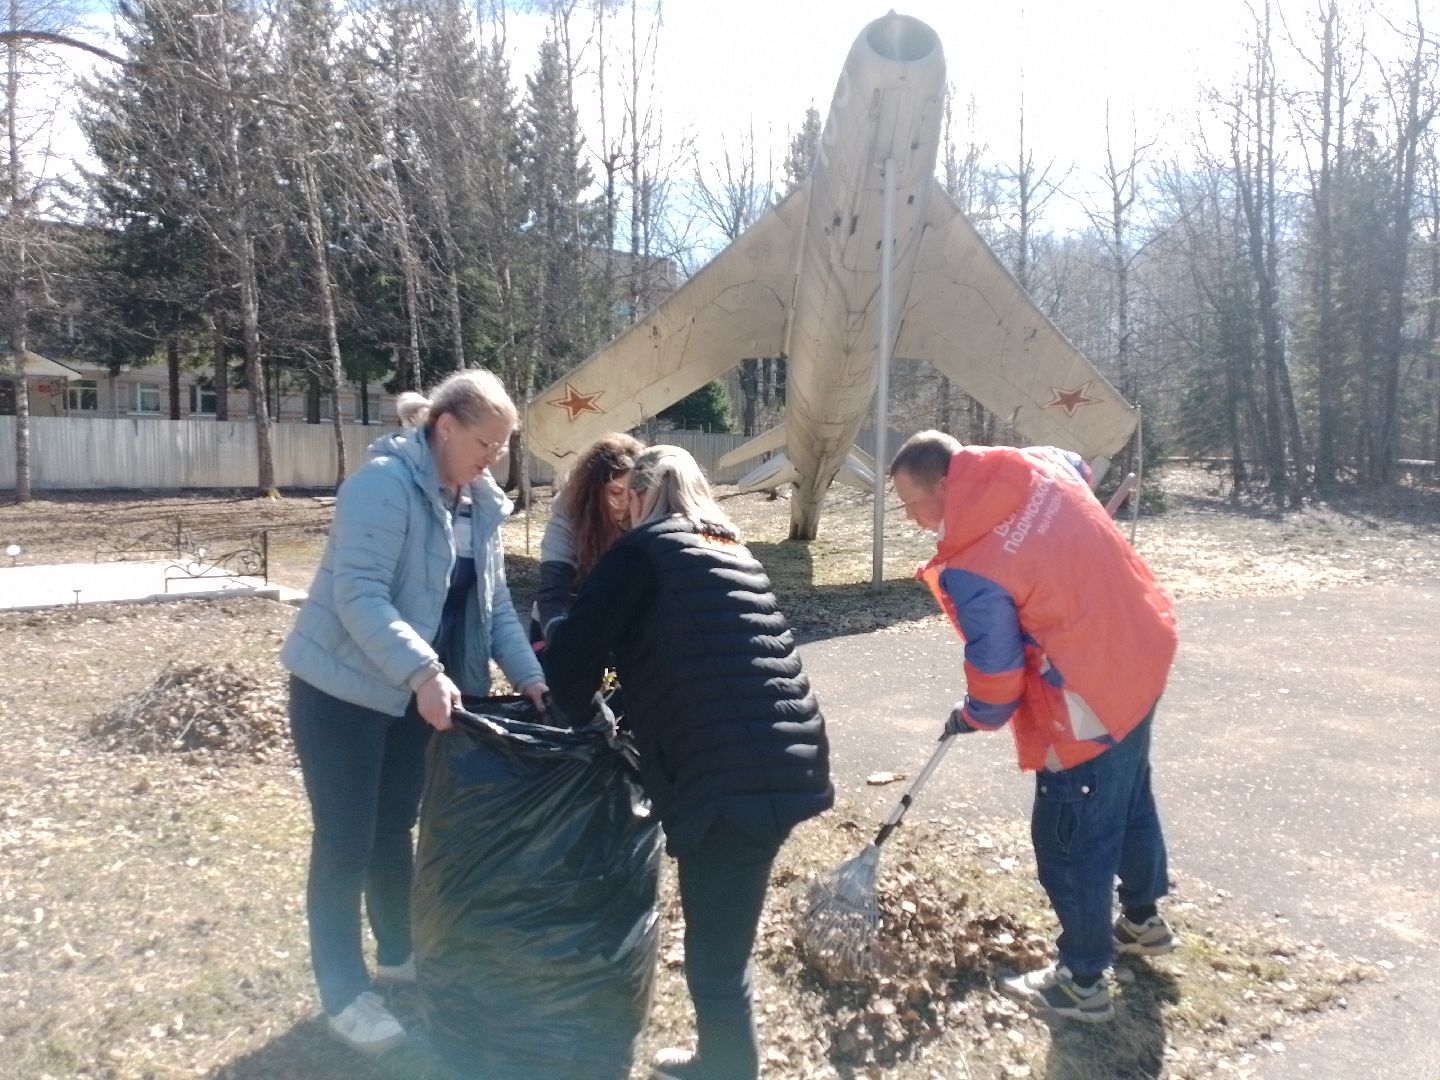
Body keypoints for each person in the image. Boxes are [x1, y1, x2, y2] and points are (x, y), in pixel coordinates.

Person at [541, 445, 833, 1080]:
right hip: (785, 762)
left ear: (642, 497)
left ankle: (728, 1069)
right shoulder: (731, 550)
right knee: (724, 946)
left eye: (627, 503)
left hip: (725, 779)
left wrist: (556, 620)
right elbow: (693, 653)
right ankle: (723, 1060)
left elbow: (568, 675)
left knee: (715, 965)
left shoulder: (640, 554)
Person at [279, 368, 548, 1055]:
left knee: (395, 827)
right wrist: (425, 671)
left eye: (503, 446)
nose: (495, 458)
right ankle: (345, 993)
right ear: (445, 426)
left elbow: (493, 607)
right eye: (486, 442)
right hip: (339, 690)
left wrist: (530, 677)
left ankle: (398, 955)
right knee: (344, 841)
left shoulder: (479, 505)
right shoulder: (382, 486)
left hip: (406, 693)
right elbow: (359, 594)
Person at [888, 430, 1178, 1024]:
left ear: (946, 483)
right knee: (1127, 798)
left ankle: (1082, 981)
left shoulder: (973, 564)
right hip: (1139, 650)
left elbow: (996, 682)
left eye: (912, 503)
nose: (914, 521)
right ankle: (1143, 923)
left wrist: (972, 717)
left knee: (1070, 835)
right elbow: (1079, 463)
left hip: (1084, 693)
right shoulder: (1038, 467)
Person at [531, 432, 645, 648]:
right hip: (565, 621)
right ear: (593, 489)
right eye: (615, 491)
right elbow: (553, 592)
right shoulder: (567, 513)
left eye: (631, 493)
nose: (624, 502)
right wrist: (563, 640)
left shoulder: (645, 514)